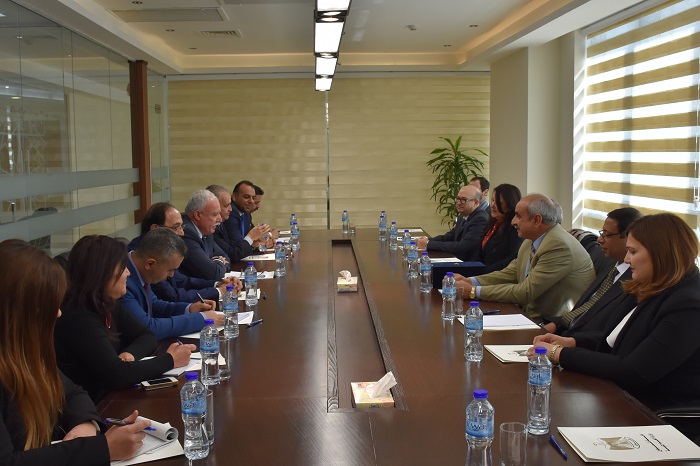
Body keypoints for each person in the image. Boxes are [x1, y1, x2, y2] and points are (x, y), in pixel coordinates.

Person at [0, 239, 148, 464]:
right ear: (17, 312)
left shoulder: (24, 353)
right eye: (48, 305)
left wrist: (85, 424)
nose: (58, 313)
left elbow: (72, 393)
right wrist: (100, 450)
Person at [531, 213, 700, 410]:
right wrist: (573, 342)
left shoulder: (689, 305)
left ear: (660, 254)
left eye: (633, 252)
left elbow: (635, 370)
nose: (627, 259)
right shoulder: (656, 285)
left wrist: (560, 354)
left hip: (655, 409)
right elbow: (623, 339)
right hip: (620, 394)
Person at [55, 235, 195, 402]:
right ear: (102, 273)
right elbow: (118, 375)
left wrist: (130, 353)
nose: (128, 273)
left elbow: (147, 335)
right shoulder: (79, 316)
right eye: (122, 268)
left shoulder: (107, 302)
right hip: (98, 406)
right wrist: (170, 360)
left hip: (114, 397)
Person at [454, 194, 595, 320]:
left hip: (553, 325)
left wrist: (473, 291)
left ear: (536, 220)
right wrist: (471, 281)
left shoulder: (558, 246)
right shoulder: (531, 239)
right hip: (527, 314)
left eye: (518, 216)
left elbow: (526, 292)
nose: (513, 222)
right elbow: (511, 272)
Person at [541, 207, 643, 339]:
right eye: (602, 233)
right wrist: (555, 325)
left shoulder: (637, 280)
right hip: (562, 331)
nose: (599, 240)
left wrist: (569, 341)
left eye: (607, 235)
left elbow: (609, 333)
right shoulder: (610, 264)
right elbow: (584, 309)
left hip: (581, 343)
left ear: (628, 237)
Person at [120, 228, 222, 340]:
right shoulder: (121, 281)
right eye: (170, 270)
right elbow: (147, 328)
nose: (172, 275)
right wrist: (201, 319)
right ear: (150, 264)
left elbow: (155, 305)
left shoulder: (140, 269)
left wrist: (190, 308)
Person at [129, 202, 241, 301]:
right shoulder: (146, 254)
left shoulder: (162, 248)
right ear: (155, 229)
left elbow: (181, 281)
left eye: (181, 226)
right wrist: (219, 291)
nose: (182, 233)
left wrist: (218, 284)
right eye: (176, 227)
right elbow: (171, 296)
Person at [415, 184, 489, 261]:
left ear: (476, 203)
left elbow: (462, 246)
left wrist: (428, 244)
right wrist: (427, 240)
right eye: (458, 198)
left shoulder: (480, 219)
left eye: (463, 200)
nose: (459, 203)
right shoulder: (462, 216)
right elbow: (449, 237)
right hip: (457, 259)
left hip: (469, 264)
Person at [210, 184, 271, 262]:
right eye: (246, 197)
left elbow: (233, 246)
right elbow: (233, 253)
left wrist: (254, 243)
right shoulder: (229, 217)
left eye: (253, 198)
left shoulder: (245, 214)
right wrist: (251, 237)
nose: (252, 201)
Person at [180, 189, 231, 280]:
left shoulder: (206, 229)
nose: (219, 219)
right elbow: (213, 273)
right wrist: (219, 260)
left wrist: (216, 263)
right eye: (215, 214)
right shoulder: (186, 233)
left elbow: (225, 257)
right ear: (198, 215)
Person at [479, 183, 523, 272]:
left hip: (498, 275)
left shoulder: (515, 227)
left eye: (499, 203)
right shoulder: (492, 222)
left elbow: (512, 258)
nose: (492, 205)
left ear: (510, 205)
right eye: (492, 200)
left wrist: (484, 272)